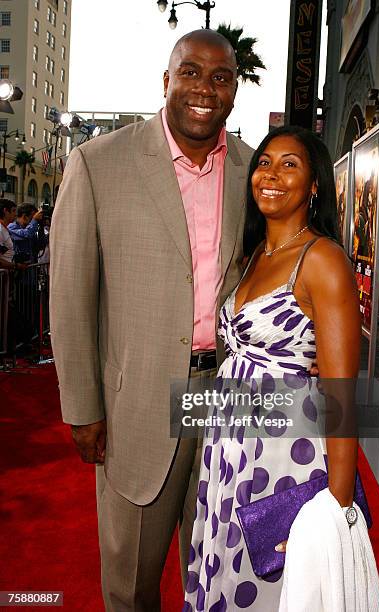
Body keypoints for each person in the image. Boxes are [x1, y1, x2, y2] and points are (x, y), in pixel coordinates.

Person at [49, 29, 253, 612]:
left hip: (226, 402)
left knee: (214, 570)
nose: (204, 89)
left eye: (220, 77)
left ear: (233, 91)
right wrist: (83, 408)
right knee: (131, 584)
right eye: (190, 72)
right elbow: (69, 298)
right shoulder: (99, 162)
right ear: (165, 82)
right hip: (135, 404)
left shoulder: (251, 169)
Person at [184, 125, 362, 611]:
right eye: (265, 162)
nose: (272, 175)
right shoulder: (251, 257)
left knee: (275, 587)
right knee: (229, 571)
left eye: (290, 165)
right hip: (229, 452)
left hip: (285, 460)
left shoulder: (322, 260)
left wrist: (338, 510)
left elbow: (341, 394)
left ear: (315, 185)